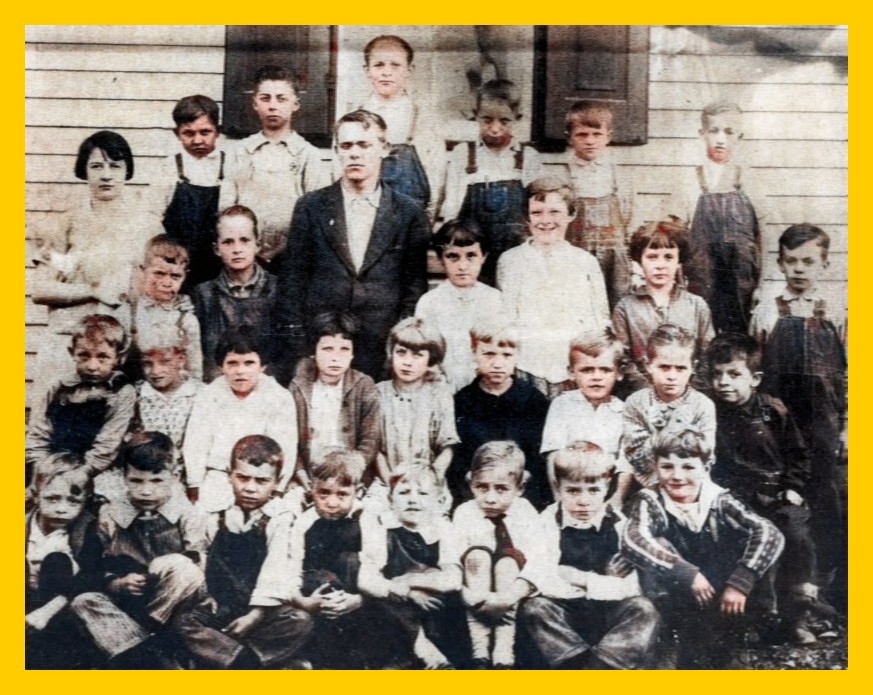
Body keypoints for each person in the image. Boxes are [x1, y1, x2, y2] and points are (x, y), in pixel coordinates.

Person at [273, 109, 431, 381]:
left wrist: (397, 347)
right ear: (336, 150)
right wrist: (301, 348)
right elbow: (293, 282)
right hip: (322, 344)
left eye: (364, 145)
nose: (354, 154)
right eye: (346, 146)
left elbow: (413, 287)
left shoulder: (408, 213)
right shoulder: (311, 207)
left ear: (384, 149)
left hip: (380, 346)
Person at [622, 428, 784, 669]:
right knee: (658, 544)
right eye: (667, 467)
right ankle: (671, 639)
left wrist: (740, 582)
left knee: (753, 541)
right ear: (655, 467)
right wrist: (686, 573)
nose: (677, 476)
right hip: (679, 591)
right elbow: (634, 539)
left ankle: (736, 638)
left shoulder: (718, 499)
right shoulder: (650, 500)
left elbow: (770, 533)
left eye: (688, 467)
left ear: (706, 468)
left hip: (723, 589)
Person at [749, 224, 847, 604]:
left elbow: (851, 372)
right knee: (782, 499)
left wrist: (847, 427)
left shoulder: (836, 311)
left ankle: (828, 587)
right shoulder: (766, 312)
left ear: (824, 264)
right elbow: (755, 373)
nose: (799, 269)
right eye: (791, 261)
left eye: (808, 261)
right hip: (780, 425)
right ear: (780, 263)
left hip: (823, 425)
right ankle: (784, 587)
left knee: (825, 499)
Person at [704, 333, 823, 644]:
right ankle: (753, 620)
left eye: (734, 374)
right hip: (734, 497)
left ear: (755, 379)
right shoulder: (709, 411)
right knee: (740, 539)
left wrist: (793, 487)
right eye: (717, 374)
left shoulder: (772, 410)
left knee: (796, 538)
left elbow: (798, 453)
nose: (723, 382)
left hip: (776, 495)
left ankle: (796, 617)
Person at [30, 130, 162, 389]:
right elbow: (41, 289)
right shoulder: (64, 224)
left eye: (115, 166)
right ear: (84, 170)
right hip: (69, 343)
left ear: (127, 170)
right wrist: (93, 291)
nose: (106, 175)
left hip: (121, 346)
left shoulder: (148, 226)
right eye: (96, 166)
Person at [69, 432, 209, 669]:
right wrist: (115, 583)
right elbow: (92, 566)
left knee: (183, 568)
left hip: (174, 600)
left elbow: (199, 563)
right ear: (123, 477)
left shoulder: (188, 514)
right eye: (136, 481)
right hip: (129, 600)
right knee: (83, 602)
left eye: (156, 481)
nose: (146, 491)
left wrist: (169, 567)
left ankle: (145, 639)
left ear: (174, 476)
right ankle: (149, 653)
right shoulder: (110, 514)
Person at [173, 435, 314, 669]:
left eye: (261, 481)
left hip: (261, 609)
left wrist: (255, 615)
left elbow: (276, 567)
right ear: (230, 474)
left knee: (300, 621)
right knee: (183, 622)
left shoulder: (279, 518)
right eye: (242, 478)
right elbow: (201, 555)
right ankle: (247, 662)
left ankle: (234, 658)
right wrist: (207, 595)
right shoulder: (216, 515)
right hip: (221, 605)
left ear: (276, 482)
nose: (250, 488)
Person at [519, 443, 660, 670]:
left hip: (609, 613)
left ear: (607, 486)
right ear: (558, 487)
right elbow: (543, 580)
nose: (583, 501)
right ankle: (579, 663)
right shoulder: (547, 520)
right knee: (535, 608)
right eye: (573, 491)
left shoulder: (619, 524)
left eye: (593, 490)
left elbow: (629, 588)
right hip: (565, 613)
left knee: (643, 609)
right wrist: (604, 582)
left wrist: (579, 578)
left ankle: (599, 667)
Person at [497, 177, 610, 400]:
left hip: (572, 370)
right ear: (527, 217)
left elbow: (599, 321)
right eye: (537, 213)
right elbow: (506, 320)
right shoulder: (510, 261)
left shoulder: (585, 262)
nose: (546, 220)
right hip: (527, 367)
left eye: (555, 212)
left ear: (571, 214)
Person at [287, 450, 399, 669]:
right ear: (312, 489)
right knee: (321, 579)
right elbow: (292, 567)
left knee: (352, 561)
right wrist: (304, 602)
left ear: (358, 491)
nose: (332, 502)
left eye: (342, 494)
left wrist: (357, 599)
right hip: (319, 593)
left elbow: (377, 565)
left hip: (359, 594)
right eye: (324, 493)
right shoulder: (304, 523)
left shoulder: (367, 519)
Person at [220, 66, 330, 268]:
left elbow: (316, 214)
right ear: (255, 103)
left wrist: (286, 246)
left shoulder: (308, 155)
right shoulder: (240, 152)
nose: (272, 106)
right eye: (265, 98)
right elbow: (226, 208)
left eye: (281, 99)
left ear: (295, 104)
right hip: (245, 254)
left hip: (293, 254)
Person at [360, 467, 469, 669]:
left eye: (423, 493)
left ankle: (439, 657)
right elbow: (366, 579)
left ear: (438, 501)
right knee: (380, 596)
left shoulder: (443, 529)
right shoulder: (383, 531)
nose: (412, 500)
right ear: (390, 501)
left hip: (434, 611)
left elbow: (453, 579)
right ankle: (422, 654)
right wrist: (407, 591)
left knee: (449, 594)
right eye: (403, 492)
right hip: (398, 611)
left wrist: (410, 580)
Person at [183, 326, 298, 512]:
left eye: (249, 363)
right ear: (221, 366)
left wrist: (279, 488)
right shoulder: (209, 395)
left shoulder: (279, 397)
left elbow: (287, 447)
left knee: (273, 515)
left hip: (262, 476)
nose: (240, 371)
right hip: (220, 475)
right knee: (209, 511)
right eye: (232, 363)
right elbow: (196, 444)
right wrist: (195, 484)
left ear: (262, 366)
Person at [441, 79, 543, 285]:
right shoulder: (463, 154)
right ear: (475, 115)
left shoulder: (528, 157)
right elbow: (452, 207)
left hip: (516, 249)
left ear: (517, 118)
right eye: (487, 120)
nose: (495, 128)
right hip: (473, 253)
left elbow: (537, 209)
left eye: (504, 121)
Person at [26, 314, 135, 503]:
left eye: (103, 357)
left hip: (93, 470)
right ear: (72, 353)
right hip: (49, 465)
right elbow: (39, 433)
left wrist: (81, 474)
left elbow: (107, 445)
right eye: (84, 356)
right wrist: (41, 471)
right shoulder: (59, 387)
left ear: (119, 357)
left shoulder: (121, 392)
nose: (92, 366)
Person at [677, 102, 765, 334]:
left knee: (739, 334)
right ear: (702, 134)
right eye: (714, 131)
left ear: (739, 137)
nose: (720, 139)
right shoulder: (690, 180)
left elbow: (762, 238)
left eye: (729, 132)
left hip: (742, 281)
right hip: (701, 278)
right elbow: (675, 235)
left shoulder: (749, 180)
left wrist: (762, 285)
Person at [452, 441, 541, 669]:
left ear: (519, 488)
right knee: (477, 556)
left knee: (507, 563)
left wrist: (507, 598)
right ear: (471, 483)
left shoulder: (525, 512)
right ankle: (480, 653)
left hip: (513, 592)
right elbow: (451, 558)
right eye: (482, 487)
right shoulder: (464, 512)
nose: (490, 498)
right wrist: (469, 597)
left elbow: (539, 559)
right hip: (474, 593)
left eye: (501, 489)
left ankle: (503, 652)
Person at [452, 319, 550, 509]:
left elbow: (538, 461)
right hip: (476, 498)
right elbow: (459, 463)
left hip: (523, 499)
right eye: (488, 354)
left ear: (517, 356)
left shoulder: (533, 400)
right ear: (474, 353)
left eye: (506, 355)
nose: (497, 363)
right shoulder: (462, 402)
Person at [612, 217, 714, 392]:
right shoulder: (626, 308)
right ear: (639, 261)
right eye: (652, 257)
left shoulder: (697, 306)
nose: (660, 265)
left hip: (688, 394)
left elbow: (708, 355)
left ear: (679, 261)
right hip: (642, 395)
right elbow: (623, 358)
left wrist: (687, 391)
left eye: (668, 257)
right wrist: (648, 392)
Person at [541, 330, 635, 511]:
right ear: (571, 372)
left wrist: (617, 500)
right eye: (587, 370)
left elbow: (625, 463)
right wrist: (559, 499)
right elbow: (553, 455)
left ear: (619, 373)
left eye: (605, 370)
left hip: (606, 494)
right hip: (569, 492)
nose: (596, 377)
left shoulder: (624, 411)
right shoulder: (562, 405)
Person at [353, 34, 445, 218]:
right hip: (362, 216)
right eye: (379, 65)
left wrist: (425, 223)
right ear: (367, 70)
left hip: (410, 219)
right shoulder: (353, 120)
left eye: (395, 65)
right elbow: (340, 175)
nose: (386, 72)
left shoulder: (423, 120)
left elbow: (435, 180)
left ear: (409, 70)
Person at [289, 312, 381, 493]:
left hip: (353, 478)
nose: (335, 357)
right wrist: (302, 475)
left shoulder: (363, 386)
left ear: (353, 354)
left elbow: (370, 440)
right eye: (327, 349)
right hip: (308, 476)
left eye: (344, 349)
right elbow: (291, 440)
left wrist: (354, 472)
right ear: (313, 352)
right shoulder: (299, 387)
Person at [372, 317, 458, 512]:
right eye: (401, 352)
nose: (407, 362)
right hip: (387, 483)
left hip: (429, 485)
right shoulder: (379, 393)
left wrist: (431, 480)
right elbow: (377, 451)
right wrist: (392, 484)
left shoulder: (440, 394)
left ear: (431, 360)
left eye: (418, 355)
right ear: (391, 353)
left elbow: (447, 447)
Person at [26, 455, 103, 669]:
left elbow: (90, 575)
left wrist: (47, 611)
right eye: (52, 498)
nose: (62, 509)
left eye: (73, 501)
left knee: (57, 561)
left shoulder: (85, 531)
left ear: (85, 500)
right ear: (35, 495)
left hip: (61, 608)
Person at [559, 100, 636, 309]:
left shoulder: (618, 174)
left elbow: (629, 218)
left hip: (614, 257)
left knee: (616, 304)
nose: (590, 141)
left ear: (608, 136)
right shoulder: (564, 175)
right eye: (582, 135)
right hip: (577, 254)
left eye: (596, 134)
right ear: (569, 137)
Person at [622, 324, 716, 488]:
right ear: (648, 365)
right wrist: (664, 434)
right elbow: (636, 459)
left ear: (693, 367)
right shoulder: (636, 403)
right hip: (649, 486)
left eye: (680, 368)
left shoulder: (702, 405)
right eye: (664, 367)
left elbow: (706, 458)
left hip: (691, 486)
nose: (672, 376)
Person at [415, 219, 504, 392]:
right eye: (452, 257)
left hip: (484, 388)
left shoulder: (494, 299)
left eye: (471, 256)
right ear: (441, 259)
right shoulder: (429, 302)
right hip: (441, 388)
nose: (462, 266)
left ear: (483, 257)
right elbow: (425, 352)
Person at [192, 205, 278, 381]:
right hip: (218, 386)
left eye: (244, 240)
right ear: (216, 248)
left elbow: (285, 351)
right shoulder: (203, 295)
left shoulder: (279, 289)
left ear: (258, 245)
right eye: (228, 242)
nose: (237, 249)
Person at [151, 94, 227, 288]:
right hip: (176, 264)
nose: (197, 140)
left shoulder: (230, 165)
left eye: (205, 132)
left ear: (217, 132)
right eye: (189, 133)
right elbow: (151, 217)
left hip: (218, 263)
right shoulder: (168, 168)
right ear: (177, 133)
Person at [128, 234, 202, 382]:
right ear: (143, 270)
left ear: (185, 276)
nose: (167, 283)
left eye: (175, 276)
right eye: (159, 274)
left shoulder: (186, 319)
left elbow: (195, 371)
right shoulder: (130, 313)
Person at [128, 325, 203, 471]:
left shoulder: (201, 393)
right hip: (149, 470)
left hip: (191, 469)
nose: (156, 371)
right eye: (147, 363)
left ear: (181, 360)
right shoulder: (137, 394)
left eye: (165, 362)